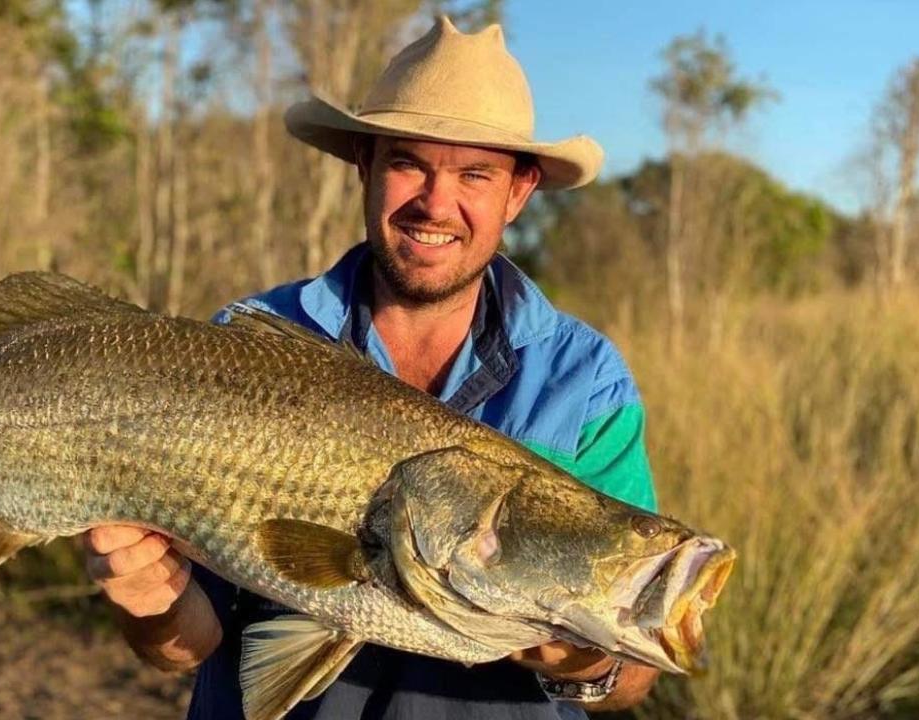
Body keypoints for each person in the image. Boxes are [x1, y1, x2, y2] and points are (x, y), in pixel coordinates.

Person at [81, 16, 661, 718]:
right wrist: (150, 602)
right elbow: (189, 645)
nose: (435, 204)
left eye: (474, 173)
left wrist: (588, 660)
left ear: (518, 192)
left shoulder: (587, 381)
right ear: (366, 165)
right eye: (409, 162)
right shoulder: (244, 347)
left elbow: (631, 678)